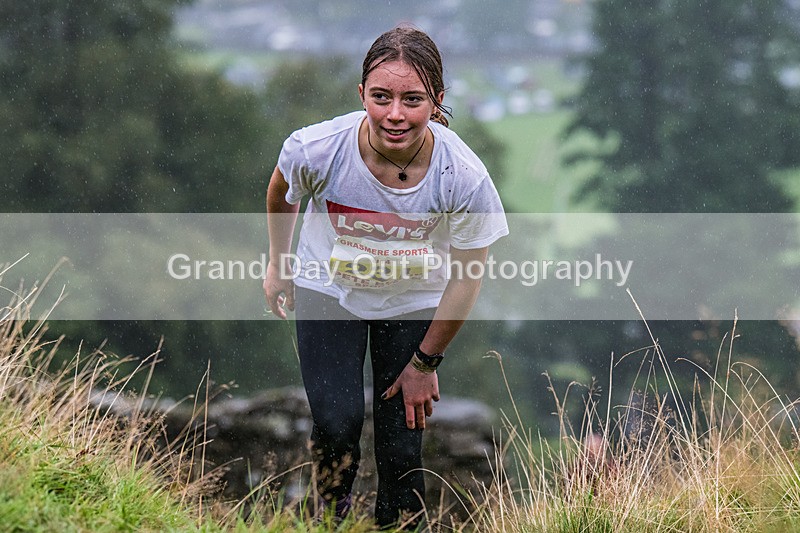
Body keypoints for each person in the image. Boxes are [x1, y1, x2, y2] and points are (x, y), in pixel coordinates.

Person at [263, 25, 508, 528]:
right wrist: (279, 262)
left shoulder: (462, 175)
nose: (395, 114)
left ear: (437, 101)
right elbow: (281, 192)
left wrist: (424, 362)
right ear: (362, 95)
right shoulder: (318, 149)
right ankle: (329, 521)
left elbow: (467, 277)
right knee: (337, 425)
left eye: (412, 99)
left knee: (401, 448)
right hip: (328, 289)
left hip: (413, 301)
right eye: (381, 97)